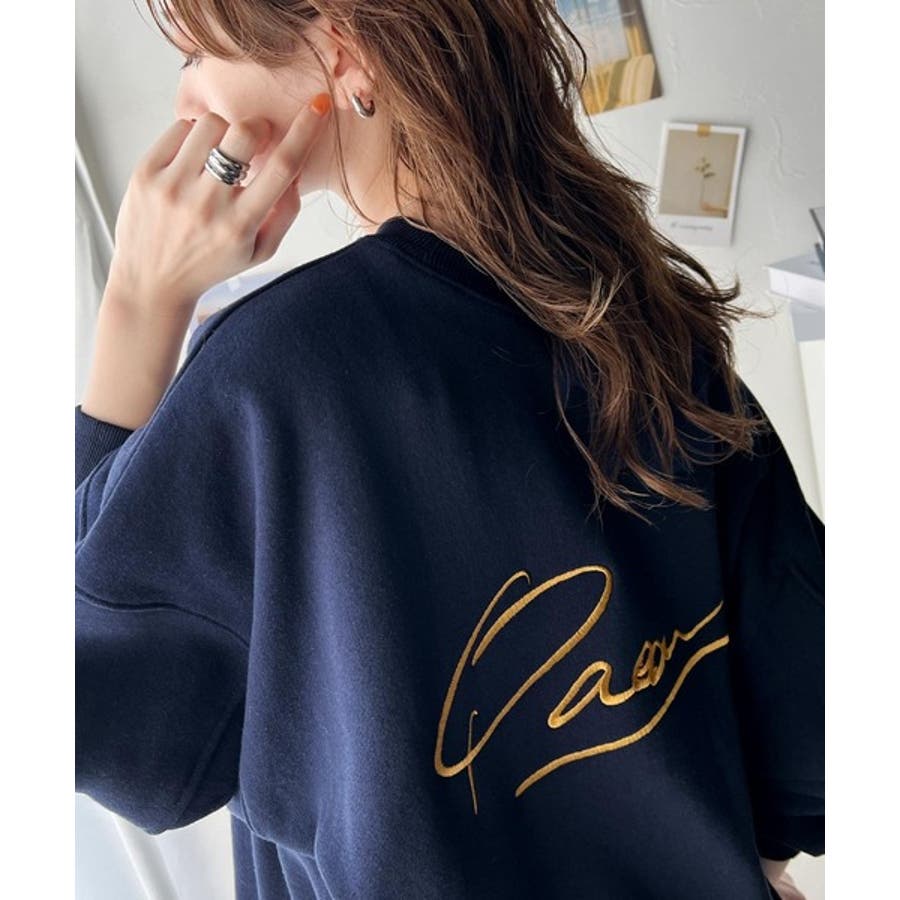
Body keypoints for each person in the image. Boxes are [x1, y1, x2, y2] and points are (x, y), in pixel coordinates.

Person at [74, 2, 824, 898]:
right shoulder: (650, 324)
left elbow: (108, 716)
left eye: (199, 53)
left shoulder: (274, 377)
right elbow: (809, 732)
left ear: (344, 53)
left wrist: (138, 303)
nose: (185, 98)